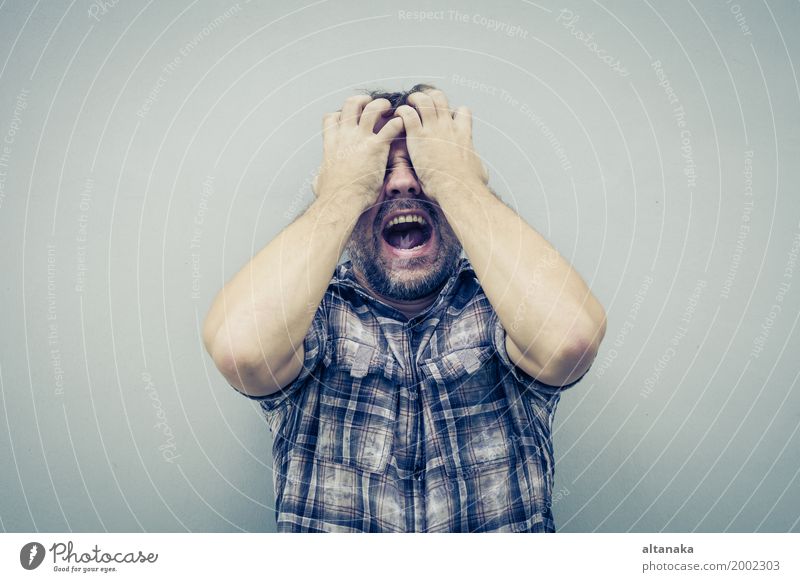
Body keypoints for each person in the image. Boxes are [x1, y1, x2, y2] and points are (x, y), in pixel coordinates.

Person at [202, 84, 607, 532]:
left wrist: (458, 183)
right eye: (379, 172)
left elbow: (570, 339)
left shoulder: (504, 307)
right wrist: (342, 191)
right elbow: (242, 351)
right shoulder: (309, 315)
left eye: (423, 167)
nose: (402, 182)